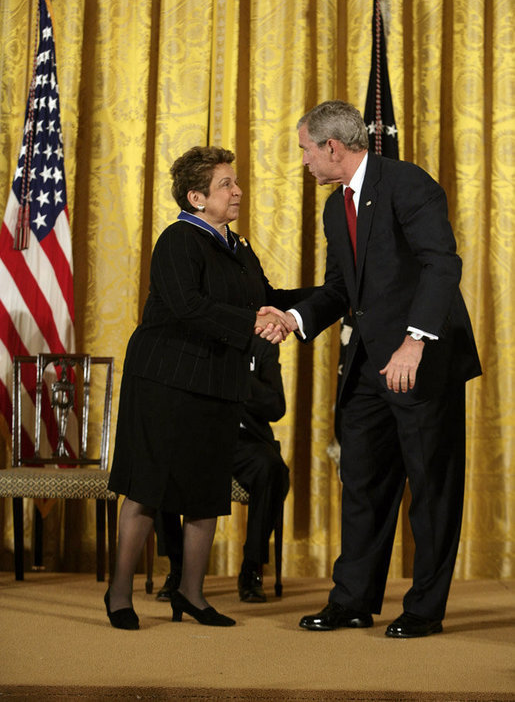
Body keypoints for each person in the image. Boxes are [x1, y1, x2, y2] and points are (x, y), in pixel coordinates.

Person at [258, 100, 481, 638]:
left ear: (332, 147)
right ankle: (353, 600)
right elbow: (341, 291)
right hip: (366, 368)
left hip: (421, 362)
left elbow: (441, 264)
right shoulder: (337, 208)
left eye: (306, 151)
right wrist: (293, 318)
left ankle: (424, 609)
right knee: (361, 482)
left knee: (431, 489)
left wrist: (414, 342)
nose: (304, 162)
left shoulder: (409, 184)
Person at [105, 145, 306, 630]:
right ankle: (117, 594)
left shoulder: (236, 247)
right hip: (163, 381)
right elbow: (187, 306)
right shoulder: (178, 240)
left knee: (205, 491)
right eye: (225, 185)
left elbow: (267, 298)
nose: (237, 191)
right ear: (196, 197)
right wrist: (255, 319)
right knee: (146, 489)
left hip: (217, 382)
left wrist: (328, 298)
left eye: (235, 183)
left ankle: (192, 595)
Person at [154, 335, 289, 604]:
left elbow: (276, 405)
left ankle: (252, 568)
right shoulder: (196, 336)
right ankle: (178, 567)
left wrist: (236, 376)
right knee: (161, 467)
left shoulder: (261, 344)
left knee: (273, 469)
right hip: (200, 436)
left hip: (244, 439)